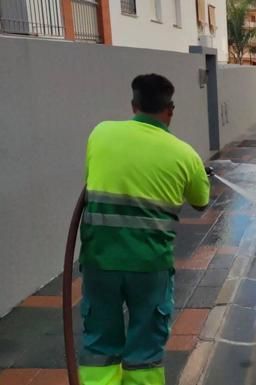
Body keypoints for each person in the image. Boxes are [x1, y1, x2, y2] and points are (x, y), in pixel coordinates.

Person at [78, 74, 211, 385]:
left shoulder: (101, 133)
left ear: (133, 105)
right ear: (170, 110)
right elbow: (201, 202)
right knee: (144, 352)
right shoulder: (184, 155)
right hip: (149, 266)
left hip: (100, 261)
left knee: (99, 346)